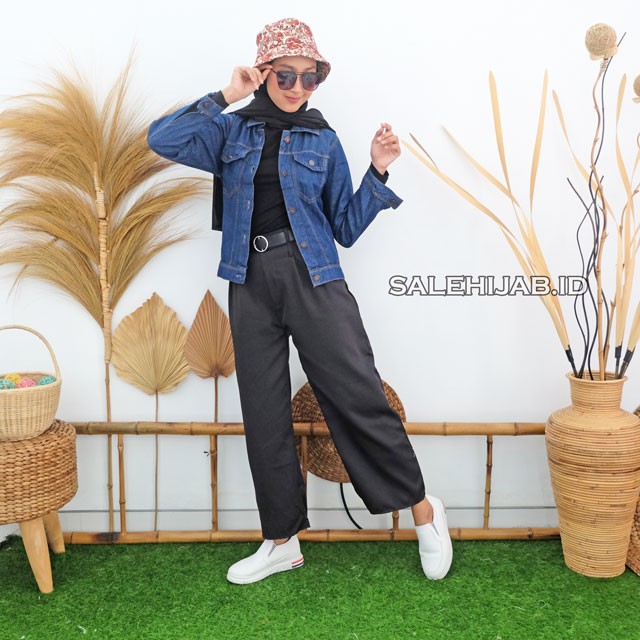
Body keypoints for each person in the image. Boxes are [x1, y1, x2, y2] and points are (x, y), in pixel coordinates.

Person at [147, 17, 453, 584]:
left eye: (310, 77)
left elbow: (345, 227)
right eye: (285, 75)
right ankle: (281, 540)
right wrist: (227, 95)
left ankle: (423, 508)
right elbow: (161, 139)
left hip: (314, 276)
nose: (298, 87)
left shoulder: (322, 139)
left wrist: (377, 171)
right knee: (263, 411)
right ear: (264, 73)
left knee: (356, 393)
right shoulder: (230, 131)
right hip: (248, 279)